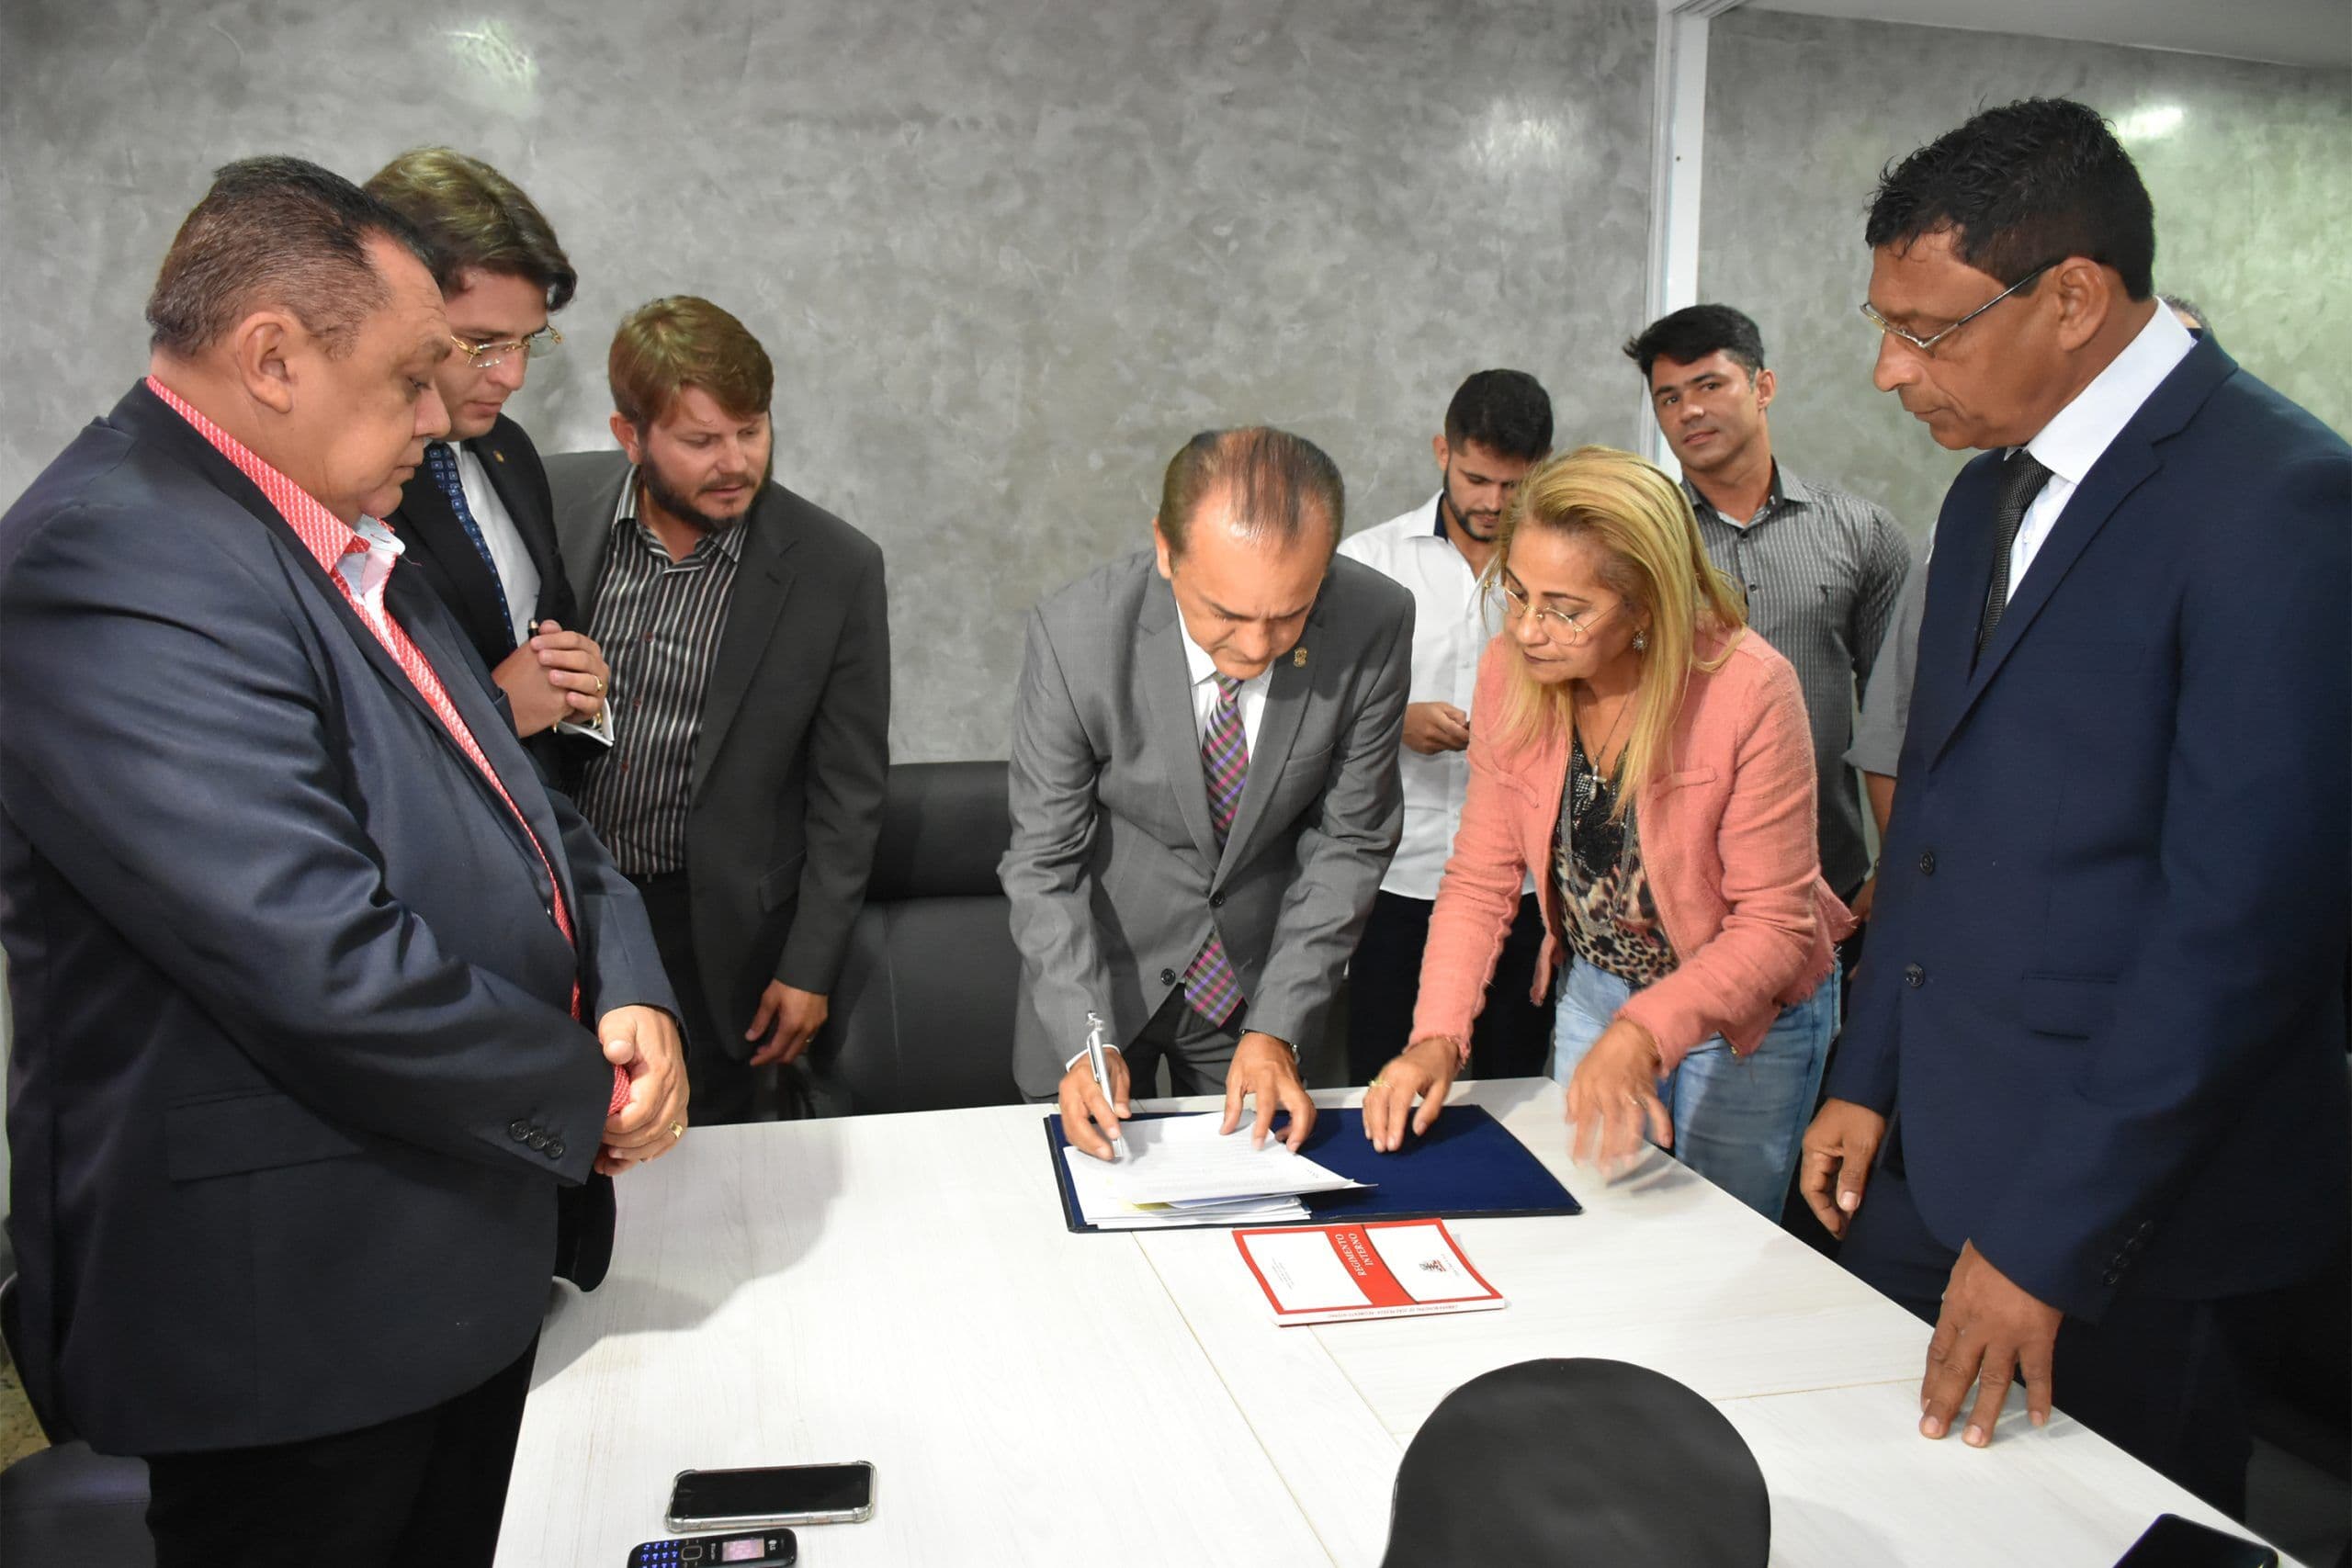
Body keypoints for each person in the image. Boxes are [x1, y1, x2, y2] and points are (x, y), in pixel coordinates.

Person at [0, 156, 686, 1568]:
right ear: (272, 357)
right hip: (288, 1311)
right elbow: (317, 957)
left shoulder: (338, 533)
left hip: (443, 1253)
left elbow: (527, 806)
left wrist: (629, 977)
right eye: (411, 379)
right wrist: (587, 1087)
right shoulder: (111, 560)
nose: (441, 421)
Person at [1803, 98, 2348, 1517]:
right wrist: (1869, 1069)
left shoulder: (2280, 504)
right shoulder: (1987, 494)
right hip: (1936, 1152)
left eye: (1925, 332)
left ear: (2074, 298)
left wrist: (2046, 1237)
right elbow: (1937, 801)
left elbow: (2241, 928)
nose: (1885, 369)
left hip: (2129, 1214)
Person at [1363, 446, 1849, 1220]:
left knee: (1712, 1239)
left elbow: (1774, 925)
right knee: (1598, 1224)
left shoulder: (1749, 688)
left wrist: (1645, 1030)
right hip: (1598, 987)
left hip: (1751, 1016)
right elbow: (1482, 878)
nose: (1527, 629)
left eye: (1566, 608)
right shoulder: (1507, 672)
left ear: (1647, 604)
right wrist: (1438, 1038)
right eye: (1517, 593)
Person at [1003, 427, 1411, 1156]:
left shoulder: (1374, 622)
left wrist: (1278, 1024)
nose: (1257, 648)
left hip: (1265, 979)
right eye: (1225, 613)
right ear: (1166, 549)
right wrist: (1084, 1042)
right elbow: (1044, 860)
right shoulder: (1078, 636)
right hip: (1102, 975)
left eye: (1289, 614)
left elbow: (1351, 841)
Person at [548, 297, 889, 1125]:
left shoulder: (834, 568)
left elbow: (848, 793)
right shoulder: (552, 508)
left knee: (704, 1162)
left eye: (753, 430)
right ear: (631, 436)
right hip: (559, 902)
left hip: (715, 936)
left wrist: (810, 966)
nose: (735, 461)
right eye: (701, 441)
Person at [1623, 306, 1909, 931]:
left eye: (1709, 385)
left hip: (1827, 890)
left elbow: (1899, 715)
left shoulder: (1860, 533)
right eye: (1669, 397)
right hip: (1671, 896)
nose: (1689, 411)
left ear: (1763, 387)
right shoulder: (1637, 547)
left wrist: (1900, 866)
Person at [366, 147, 611, 786]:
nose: (514, 375)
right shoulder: (351, 484)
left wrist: (581, 692)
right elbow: (358, 741)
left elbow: (553, 633)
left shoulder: (512, 452)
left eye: (526, 342)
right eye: (480, 344)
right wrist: (499, 713)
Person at [1337, 369, 1555, 1084]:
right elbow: (1305, 704)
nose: (1492, 502)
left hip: (1522, 883)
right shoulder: (1367, 563)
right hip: (1394, 878)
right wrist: (1393, 719)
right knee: (1384, 1077)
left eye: (1513, 485)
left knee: (1510, 1087)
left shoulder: (1558, 571)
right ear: (1442, 451)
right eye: (1477, 478)